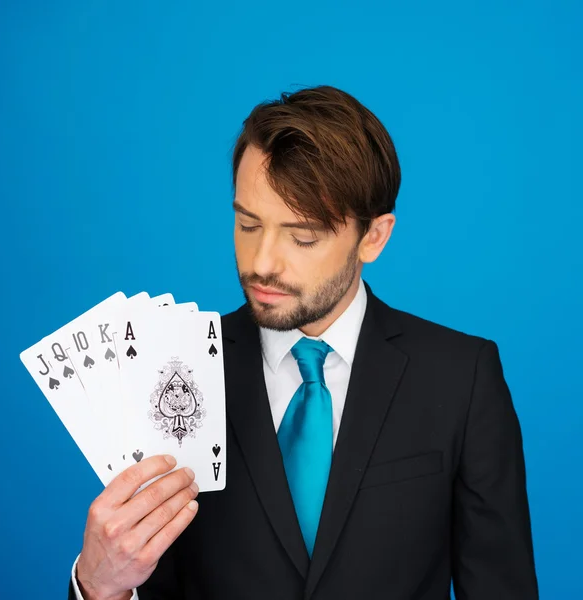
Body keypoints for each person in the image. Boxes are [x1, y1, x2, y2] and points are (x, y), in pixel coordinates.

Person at [69, 85, 539, 600]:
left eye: (304, 237)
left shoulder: (461, 377)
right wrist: (98, 587)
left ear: (374, 237)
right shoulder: (169, 371)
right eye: (247, 224)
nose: (262, 262)